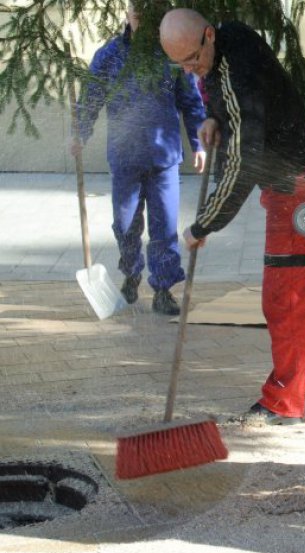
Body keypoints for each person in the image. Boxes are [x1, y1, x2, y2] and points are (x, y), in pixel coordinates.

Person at [159, 8, 305, 425]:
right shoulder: (230, 38)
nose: (191, 70)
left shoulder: (235, 74)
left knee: (284, 295)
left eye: (193, 59)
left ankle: (284, 400)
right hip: (296, 180)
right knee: (303, 285)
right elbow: (226, 95)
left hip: (297, 188)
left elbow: (244, 163)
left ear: (208, 34)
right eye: (183, 65)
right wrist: (213, 117)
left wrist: (203, 223)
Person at [72, 0, 206, 316]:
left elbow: (192, 102)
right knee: (124, 223)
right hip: (125, 158)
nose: (141, 17)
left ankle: (163, 289)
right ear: (128, 14)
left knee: (164, 228)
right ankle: (131, 272)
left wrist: (199, 144)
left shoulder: (171, 55)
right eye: (136, 11)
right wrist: (79, 134)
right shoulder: (109, 56)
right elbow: (90, 100)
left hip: (164, 158)